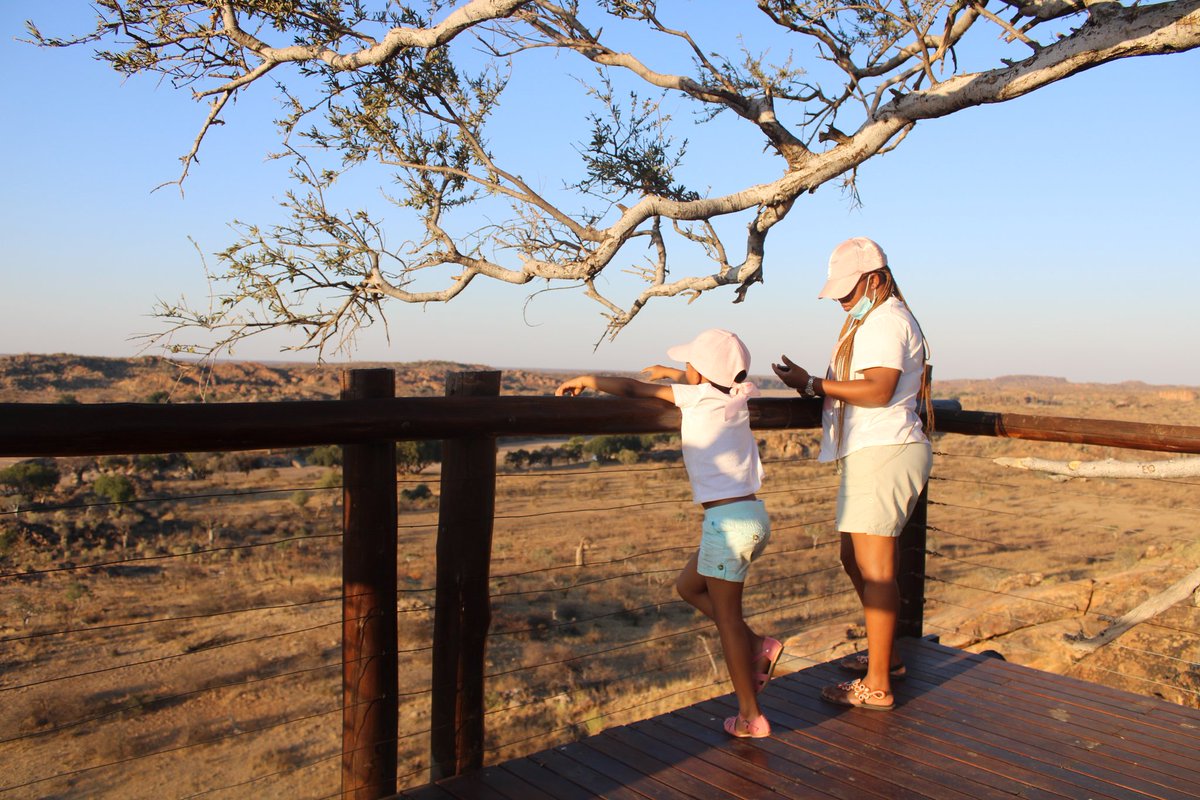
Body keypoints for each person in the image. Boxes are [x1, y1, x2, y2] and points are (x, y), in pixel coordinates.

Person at [555, 328, 782, 738]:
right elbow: (706, 383)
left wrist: (589, 380)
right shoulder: (738, 395)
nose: (684, 370)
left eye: (688, 365)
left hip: (725, 525)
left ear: (697, 375)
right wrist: (675, 373)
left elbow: (632, 388)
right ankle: (758, 646)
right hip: (752, 515)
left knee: (727, 620)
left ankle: (751, 714)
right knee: (687, 586)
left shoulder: (694, 398)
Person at [771, 237, 932, 712]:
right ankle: (890, 656)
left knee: (878, 569)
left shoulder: (884, 322)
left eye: (848, 288)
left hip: (885, 449)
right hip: (873, 452)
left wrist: (812, 384)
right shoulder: (875, 319)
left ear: (876, 279)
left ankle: (878, 684)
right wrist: (811, 386)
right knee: (855, 557)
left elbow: (878, 389)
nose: (841, 298)